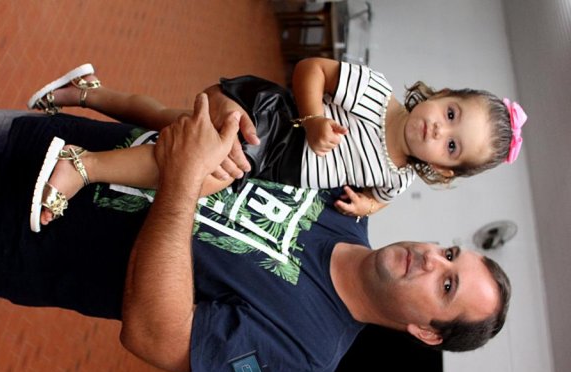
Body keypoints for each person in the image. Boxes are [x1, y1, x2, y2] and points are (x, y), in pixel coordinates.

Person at [0, 94, 510, 372]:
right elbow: (239, 120)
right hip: (54, 141)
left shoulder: (307, 353)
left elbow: (154, 337)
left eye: (446, 285)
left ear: (427, 332)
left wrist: (182, 183)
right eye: (450, 254)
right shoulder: (342, 195)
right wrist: (230, 110)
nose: (431, 259)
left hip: (16, 237)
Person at [26, 58, 527, 230]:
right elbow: (311, 70)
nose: (438, 131)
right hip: (270, 120)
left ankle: (87, 90)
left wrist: (368, 206)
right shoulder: (377, 94)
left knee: (164, 118)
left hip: (270, 165)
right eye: (451, 115)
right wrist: (314, 118)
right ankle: (82, 166)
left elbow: (382, 198)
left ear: (444, 170)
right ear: (441, 95)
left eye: (453, 147)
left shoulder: (395, 176)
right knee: (196, 171)